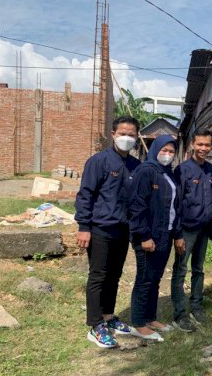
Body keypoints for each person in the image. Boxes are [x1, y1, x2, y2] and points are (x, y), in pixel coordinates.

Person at [75, 116, 141, 348]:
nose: (127, 138)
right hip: (100, 228)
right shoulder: (98, 161)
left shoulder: (135, 166)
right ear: (113, 134)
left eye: (132, 135)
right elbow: (86, 195)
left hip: (122, 230)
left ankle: (108, 316)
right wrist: (84, 226)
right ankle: (95, 325)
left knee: (114, 275)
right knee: (98, 276)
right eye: (123, 133)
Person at [128, 135, 183, 342]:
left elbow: (175, 208)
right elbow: (137, 206)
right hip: (148, 237)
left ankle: (150, 318)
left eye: (171, 151)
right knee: (144, 279)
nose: (168, 155)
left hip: (164, 235)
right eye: (164, 150)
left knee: (155, 279)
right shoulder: (145, 171)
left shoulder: (167, 174)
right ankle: (138, 323)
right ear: (155, 150)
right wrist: (144, 236)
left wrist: (176, 234)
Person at [170, 128, 212, 331]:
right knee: (181, 270)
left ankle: (196, 306)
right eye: (200, 144)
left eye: (207, 145)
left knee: (198, 269)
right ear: (192, 145)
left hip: (204, 230)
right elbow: (176, 203)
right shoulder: (182, 170)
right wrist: (177, 234)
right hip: (186, 231)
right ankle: (180, 313)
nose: (203, 148)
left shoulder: (211, 171)